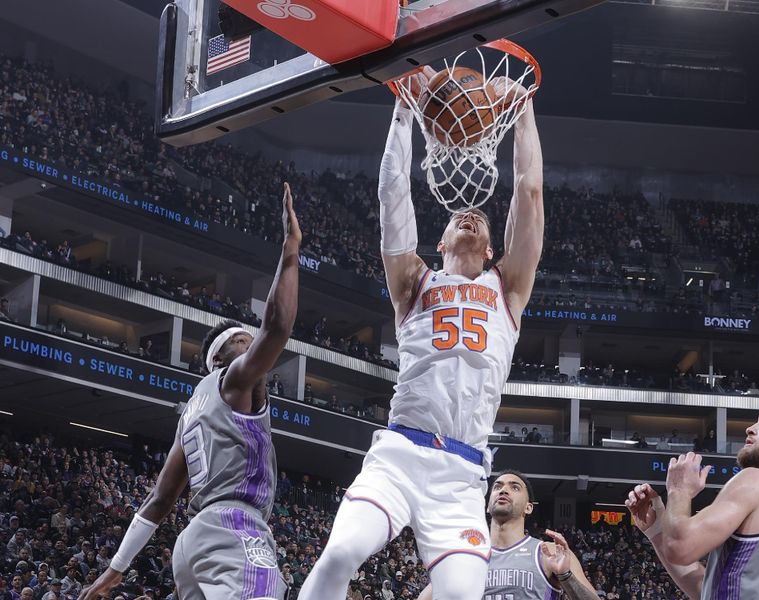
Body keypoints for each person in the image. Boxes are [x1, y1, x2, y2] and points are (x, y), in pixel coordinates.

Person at [299, 70, 544, 600]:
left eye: (480, 216)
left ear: (492, 250)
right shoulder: (414, 281)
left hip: (461, 475)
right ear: (440, 241)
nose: (472, 216)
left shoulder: (510, 289)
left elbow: (529, 190)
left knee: (461, 595)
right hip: (400, 456)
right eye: (461, 216)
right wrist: (404, 110)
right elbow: (393, 196)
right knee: (341, 552)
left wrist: (522, 108)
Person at [78, 183, 301, 600]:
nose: (252, 344)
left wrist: (114, 569)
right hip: (235, 528)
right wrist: (290, 252)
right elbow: (278, 328)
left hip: (192, 544)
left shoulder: (191, 413)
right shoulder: (233, 381)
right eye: (242, 341)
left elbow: (160, 499)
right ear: (222, 359)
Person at [625, 400, 759, 600]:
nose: (750, 429)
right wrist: (657, 531)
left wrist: (679, 490)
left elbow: (680, 548)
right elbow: (708, 590)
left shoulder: (756, 480)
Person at [416, 471, 598, 599]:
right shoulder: (466, 558)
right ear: (487, 506)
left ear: (528, 507)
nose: (503, 490)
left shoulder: (548, 552)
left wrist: (566, 576)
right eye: (497, 487)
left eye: (515, 488)